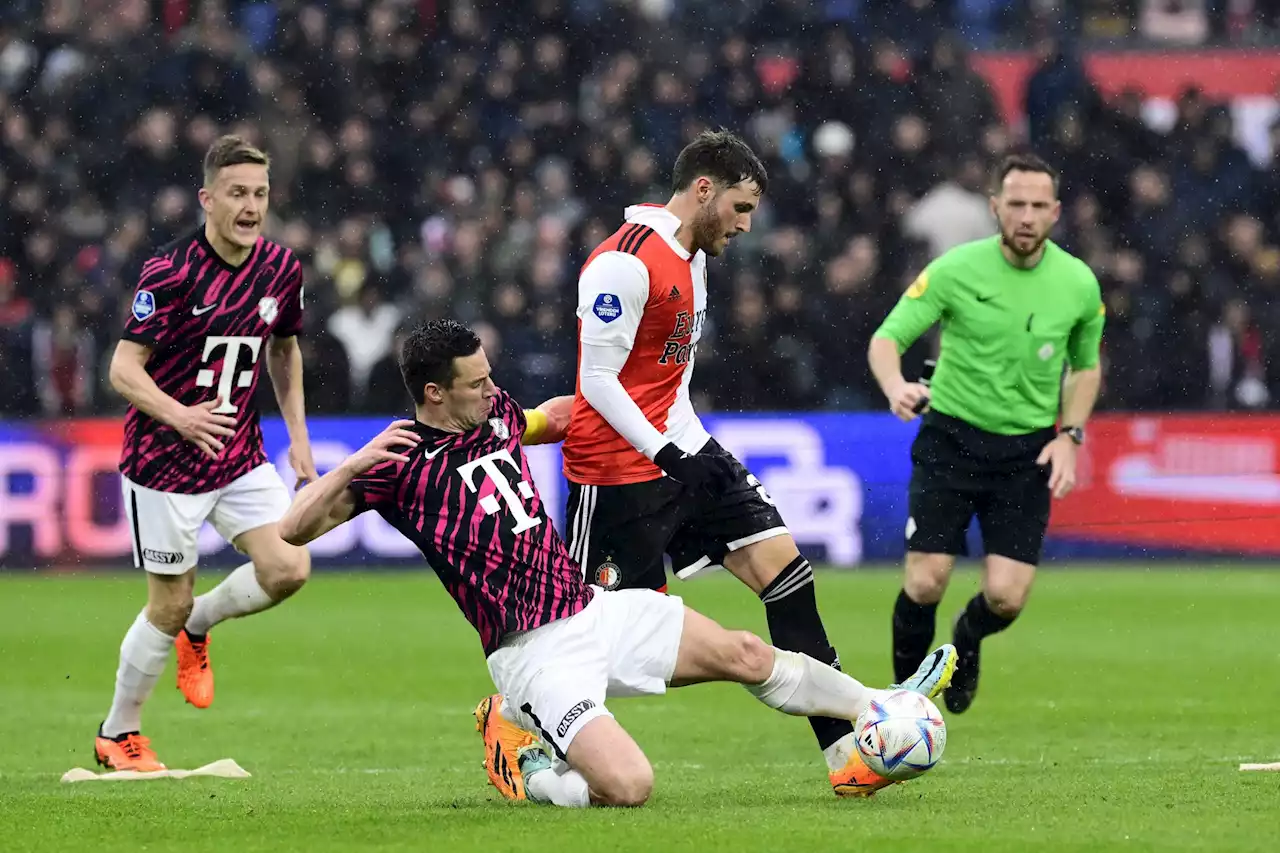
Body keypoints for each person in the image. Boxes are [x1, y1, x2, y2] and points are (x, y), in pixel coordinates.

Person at [278, 318, 957, 808]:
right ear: (432, 393)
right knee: (628, 787)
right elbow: (293, 528)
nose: (492, 389)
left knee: (748, 652)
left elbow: (548, 417)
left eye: (490, 378)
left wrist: (613, 409)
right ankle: (521, 752)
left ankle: (879, 706)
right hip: (534, 652)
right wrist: (356, 462)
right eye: (477, 383)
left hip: (594, 610)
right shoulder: (395, 467)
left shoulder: (498, 416)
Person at [478, 128, 889, 796]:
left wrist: (693, 450)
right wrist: (667, 451)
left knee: (789, 577)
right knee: (595, 647)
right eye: (740, 207)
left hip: (684, 452)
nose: (746, 225)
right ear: (703, 189)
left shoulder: (694, 256)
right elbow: (600, 383)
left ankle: (847, 750)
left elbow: (669, 382)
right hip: (613, 479)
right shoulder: (621, 263)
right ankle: (516, 720)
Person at [95, 135, 319, 771]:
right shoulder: (169, 272)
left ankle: (202, 627)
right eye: (238, 194)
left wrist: (298, 440)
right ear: (208, 199)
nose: (251, 206)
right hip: (166, 464)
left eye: (261, 194)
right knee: (165, 603)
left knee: (289, 568)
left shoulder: (280, 268)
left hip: (239, 454)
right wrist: (181, 416)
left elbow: (283, 348)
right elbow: (122, 368)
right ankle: (118, 733)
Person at [868, 152, 1105, 715]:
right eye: (1015, 204)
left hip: (1025, 453)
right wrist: (895, 386)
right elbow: (886, 338)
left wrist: (1069, 434)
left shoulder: (1078, 284)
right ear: (995, 207)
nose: (1026, 216)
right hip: (950, 439)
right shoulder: (955, 270)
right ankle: (905, 705)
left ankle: (966, 639)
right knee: (926, 581)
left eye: (1038, 206)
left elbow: (1086, 366)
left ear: (1056, 212)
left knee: (1006, 596)